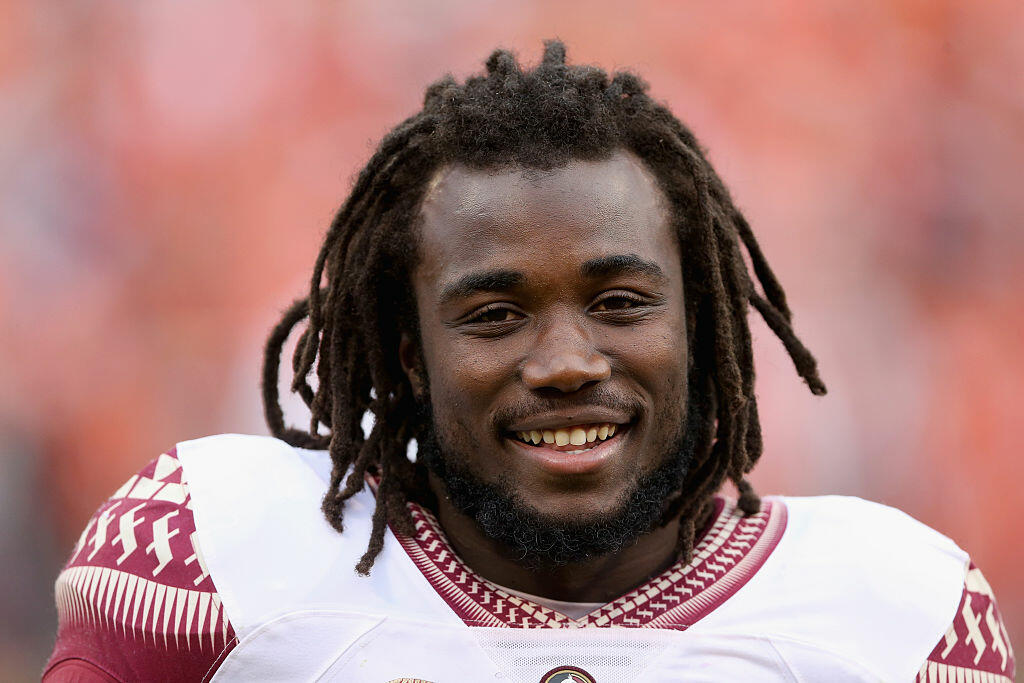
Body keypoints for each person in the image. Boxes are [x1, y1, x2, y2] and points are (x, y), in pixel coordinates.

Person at [44, 42, 1013, 682]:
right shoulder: (208, 562)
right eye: (495, 313)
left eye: (619, 302)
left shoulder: (899, 617)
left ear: (703, 327)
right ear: (406, 353)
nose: (563, 361)